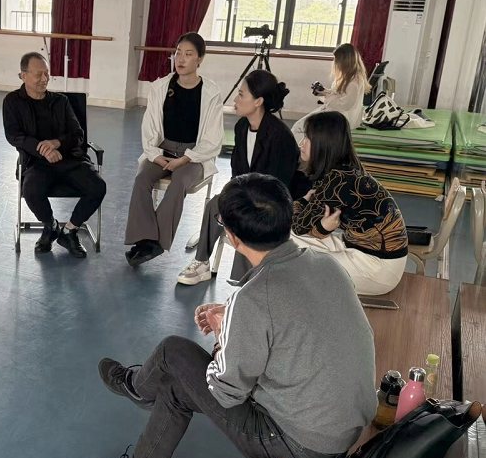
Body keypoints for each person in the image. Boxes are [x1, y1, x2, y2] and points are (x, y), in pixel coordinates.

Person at [87, 173, 377, 458]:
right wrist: (236, 318)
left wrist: (224, 338)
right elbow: (297, 314)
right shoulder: (325, 264)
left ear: (232, 236)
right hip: (346, 428)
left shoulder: (252, 299)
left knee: (173, 353)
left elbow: (226, 391)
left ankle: (139, 388)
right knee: (177, 386)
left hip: (297, 448)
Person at [177, 70, 297, 285]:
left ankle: (247, 281)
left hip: (272, 204)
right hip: (249, 194)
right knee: (216, 204)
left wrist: (244, 200)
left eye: (241, 94)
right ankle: (202, 262)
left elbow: (279, 185)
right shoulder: (242, 127)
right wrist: (233, 195)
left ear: (258, 101)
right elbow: (237, 172)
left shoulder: (280, 136)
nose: (235, 99)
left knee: (245, 215)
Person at [125, 32, 223, 266]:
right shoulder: (160, 87)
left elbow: (212, 139)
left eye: (188, 54)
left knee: (178, 183)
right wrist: (156, 156)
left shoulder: (211, 92)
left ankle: (154, 243)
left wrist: (185, 159)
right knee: (141, 178)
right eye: (178, 53)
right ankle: (146, 239)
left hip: (194, 156)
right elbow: (149, 128)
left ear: (200, 59)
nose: (181, 59)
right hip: (163, 150)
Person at [3, 52, 107, 258]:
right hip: (36, 162)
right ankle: (50, 226)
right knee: (31, 190)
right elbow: (14, 136)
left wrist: (56, 143)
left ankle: (69, 231)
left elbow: (77, 134)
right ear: (23, 76)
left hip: (70, 158)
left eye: (47, 73)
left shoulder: (61, 101)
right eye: (38, 74)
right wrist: (42, 149)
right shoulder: (12, 101)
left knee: (98, 187)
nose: (44, 79)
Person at [292, 111, 408, 296]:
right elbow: (309, 226)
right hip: (363, 252)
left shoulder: (337, 181)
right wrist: (320, 228)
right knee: (292, 242)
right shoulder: (346, 170)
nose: (301, 143)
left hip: (378, 268)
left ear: (324, 142)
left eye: (307, 137)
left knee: (290, 245)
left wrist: (303, 201)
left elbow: (298, 226)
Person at [291, 42, 371, 141]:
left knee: (299, 129)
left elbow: (344, 104)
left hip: (341, 118)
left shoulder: (354, 82)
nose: (335, 62)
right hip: (335, 112)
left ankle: (305, 149)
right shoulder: (349, 77)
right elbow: (339, 95)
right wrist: (325, 92)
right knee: (299, 127)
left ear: (344, 61)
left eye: (336, 60)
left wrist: (326, 96)